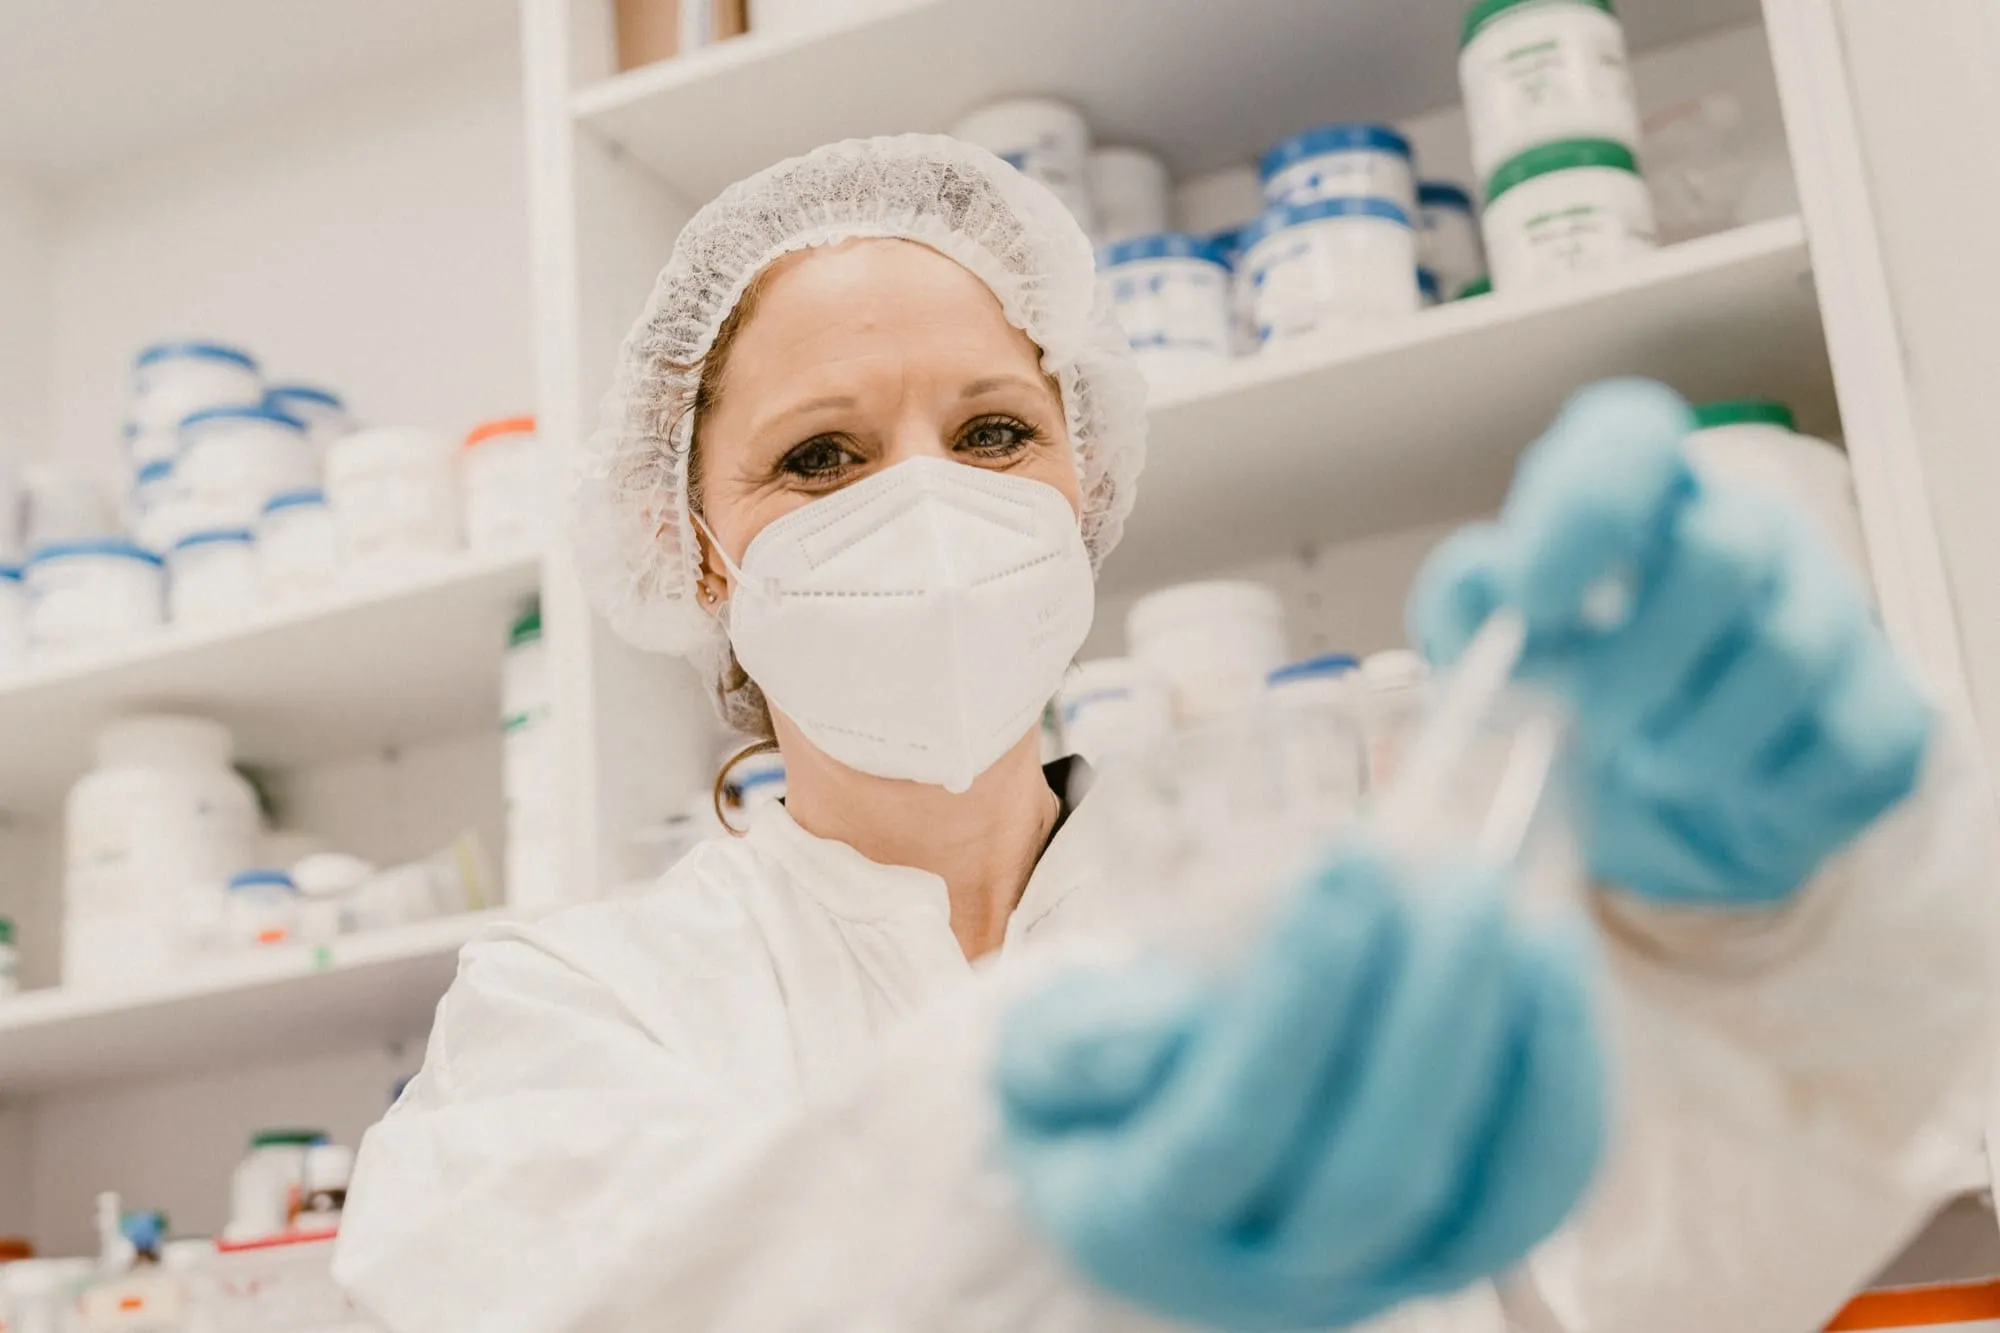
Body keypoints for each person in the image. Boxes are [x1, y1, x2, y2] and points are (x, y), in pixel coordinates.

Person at [333, 135, 1994, 1333]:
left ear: (1088, 486)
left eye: (993, 430)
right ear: (696, 549)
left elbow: (1649, 1275)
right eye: (822, 458)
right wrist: (1030, 1190)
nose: (926, 501)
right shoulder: (582, 1009)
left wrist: (1788, 946)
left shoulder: (1331, 908)